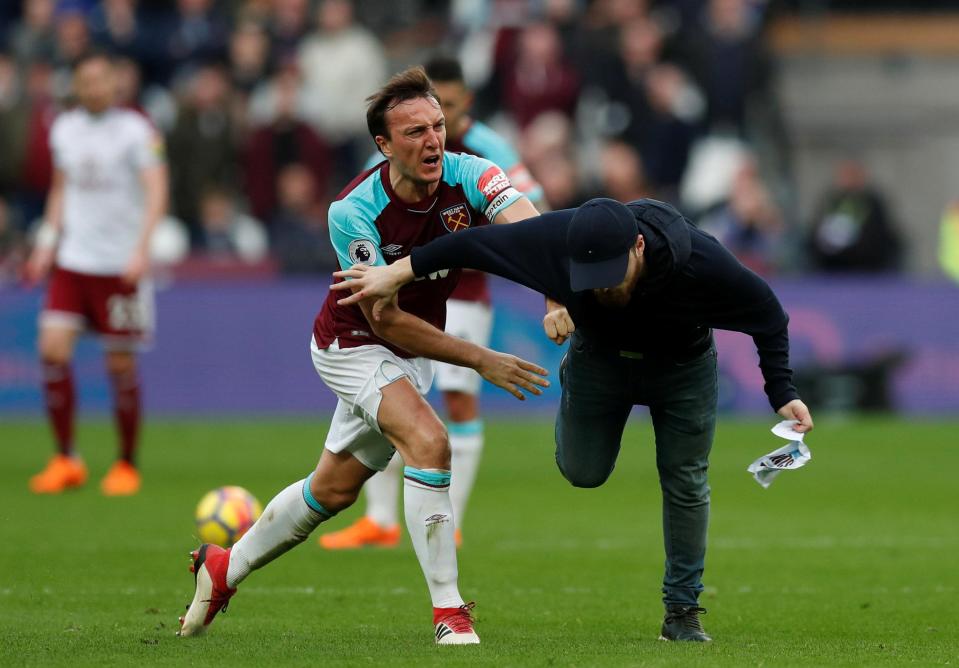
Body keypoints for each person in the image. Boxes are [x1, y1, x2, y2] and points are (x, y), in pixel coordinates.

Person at [331, 196, 815, 642]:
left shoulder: (700, 264)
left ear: (639, 247)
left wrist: (782, 392)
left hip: (683, 368)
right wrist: (398, 273)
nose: (602, 286)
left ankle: (682, 612)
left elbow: (768, 313)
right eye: (591, 277)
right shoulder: (552, 239)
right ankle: (576, 376)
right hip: (600, 360)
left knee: (686, 480)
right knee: (583, 472)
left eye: (611, 273)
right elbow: (472, 243)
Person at [177, 67, 549, 644]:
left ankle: (226, 568)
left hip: (412, 352)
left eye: (438, 126)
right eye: (415, 132)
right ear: (384, 145)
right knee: (430, 442)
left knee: (332, 490)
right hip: (351, 345)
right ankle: (449, 614)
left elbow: (533, 232)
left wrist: (555, 292)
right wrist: (480, 358)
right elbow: (385, 316)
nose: (433, 141)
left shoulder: (471, 173)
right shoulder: (353, 210)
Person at [320, 55, 547, 550]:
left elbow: (534, 211)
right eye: (423, 119)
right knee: (394, 408)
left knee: (456, 401)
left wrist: (552, 285)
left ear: (463, 104)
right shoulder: (380, 171)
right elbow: (367, 202)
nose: (432, 132)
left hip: (463, 292)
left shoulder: (485, 151)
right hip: (398, 302)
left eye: (442, 116)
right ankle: (380, 519)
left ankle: (453, 518)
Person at [24, 51, 168, 496]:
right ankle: (66, 457)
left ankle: (126, 463)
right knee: (51, 349)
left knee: (119, 363)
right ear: (77, 85)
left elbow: (157, 190)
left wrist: (142, 250)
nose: (93, 88)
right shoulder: (64, 128)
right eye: (85, 81)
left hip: (119, 266)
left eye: (100, 80)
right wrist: (46, 244)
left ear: (113, 83)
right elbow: (61, 190)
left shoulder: (137, 131)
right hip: (73, 260)